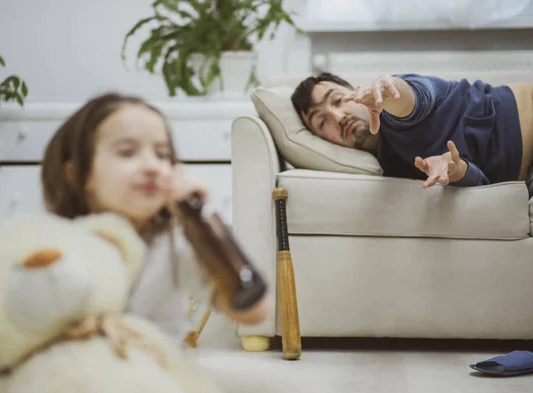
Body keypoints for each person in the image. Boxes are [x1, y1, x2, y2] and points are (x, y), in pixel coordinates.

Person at [40, 92, 269, 343]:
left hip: (154, 371)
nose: (152, 166)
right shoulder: (59, 243)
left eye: (162, 155)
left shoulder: (172, 244)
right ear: (79, 176)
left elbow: (255, 312)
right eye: (127, 152)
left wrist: (199, 220)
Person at [290, 72, 533, 189]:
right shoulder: (390, 164)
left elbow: (415, 99)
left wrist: (390, 91)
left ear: (356, 90)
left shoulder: (395, 107)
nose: (338, 117)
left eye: (338, 100)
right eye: (322, 123)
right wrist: (457, 170)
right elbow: (480, 182)